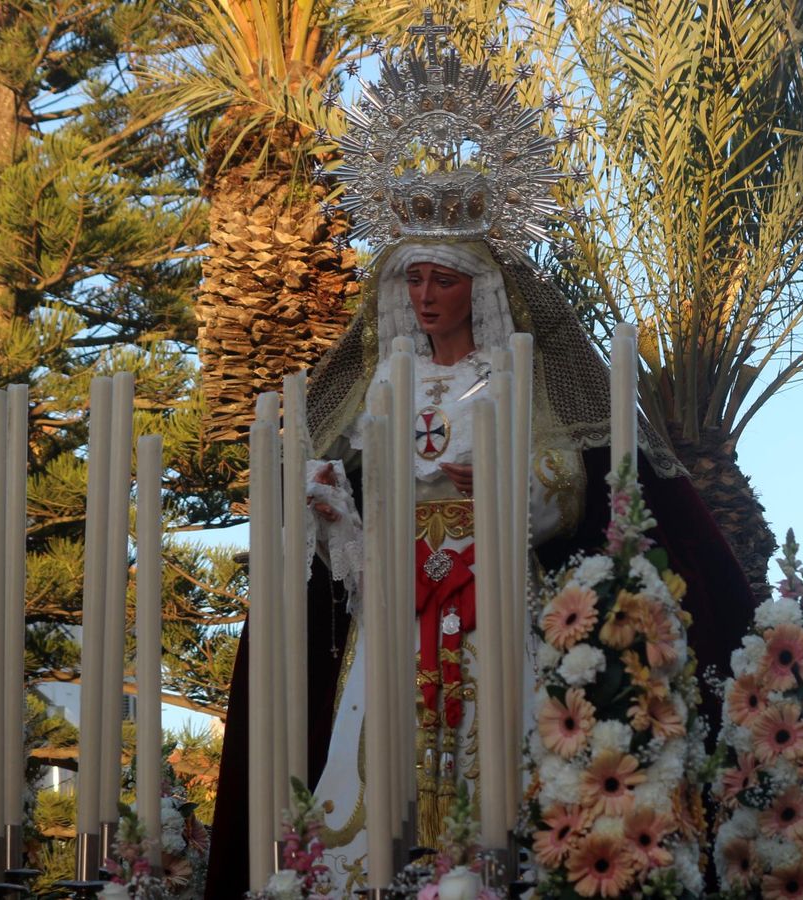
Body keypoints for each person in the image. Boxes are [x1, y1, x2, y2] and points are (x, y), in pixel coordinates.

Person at [203, 239, 758, 895]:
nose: (426, 297)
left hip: (487, 578)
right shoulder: (384, 381)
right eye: (414, 281)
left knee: (490, 715)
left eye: (443, 280)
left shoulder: (510, 378)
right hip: (398, 591)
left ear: (480, 290)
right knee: (381, 718)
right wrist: (326, 499)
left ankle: (498, 860)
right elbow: (357, 506)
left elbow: (565, 485)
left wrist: (504, 482)